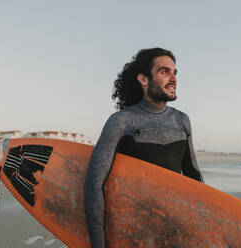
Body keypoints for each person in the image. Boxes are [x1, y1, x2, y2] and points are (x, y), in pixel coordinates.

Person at [84, 48, 204, 248]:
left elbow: (194, 176)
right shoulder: (121, 122)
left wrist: (201, 227)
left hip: (173, 230)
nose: (173, 78)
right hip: (133, 233)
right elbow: (94, 185)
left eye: (175, 72)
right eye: (165, 72)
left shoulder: (182, 120)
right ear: (144, 79)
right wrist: (98, 245)